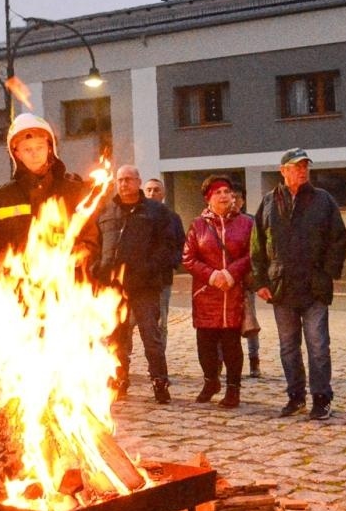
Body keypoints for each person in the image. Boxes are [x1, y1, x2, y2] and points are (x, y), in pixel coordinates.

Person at [252, 147, 346, 419]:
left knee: (318, 345)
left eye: (305, 166)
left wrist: (327, 273)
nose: (302, 170)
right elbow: (257, 243)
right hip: (281, 287)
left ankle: (321, 398)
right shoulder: (269, 201)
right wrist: (259, 280)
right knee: (288, 346)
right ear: (283, 171)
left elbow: (338, 239)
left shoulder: (323, 200)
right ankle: (295, 396)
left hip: (314, 286)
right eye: (296, 166)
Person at [0, 113, 99, 275]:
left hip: (65, 292)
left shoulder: (73, 192)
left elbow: (91, 242)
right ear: (17, 154)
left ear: (49, 149)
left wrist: (74, 256)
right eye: (27, 149)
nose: (34, 154)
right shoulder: (2, 197)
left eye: (39, 147)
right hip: (17, 292)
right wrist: (13, 260)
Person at [97, 164, 180, 403]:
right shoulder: (106, 210)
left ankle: (159, 382)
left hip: (145, 285)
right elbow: (93, 243)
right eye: (120, 180)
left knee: (150, 337)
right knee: (116, 337)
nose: (124, 184)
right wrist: (97, 269)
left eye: (128, 180)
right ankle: (119, 378)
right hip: (112, 288)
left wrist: (149, 269)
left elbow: (167, 246)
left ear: (138, 181)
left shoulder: (155, 211)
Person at [183, 175, 253, 407]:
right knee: (206, 344)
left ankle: (233, 389)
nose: (224, 196)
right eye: (218, 192)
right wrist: (212, 275)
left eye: (227, 191)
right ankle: (210, 380)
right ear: (208, 199)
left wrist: (231, 273)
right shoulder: (198, 225)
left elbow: (252, 254)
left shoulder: (246, 223)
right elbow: (188, 258)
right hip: (206, 293)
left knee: (232, 344)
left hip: (232, 293)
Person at [142, 176, 184, 346]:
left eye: (156, 190)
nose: (152, 193)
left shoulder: (172, 218)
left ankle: (160, 360)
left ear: (163, 194)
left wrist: (172, 262)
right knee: (129, 321)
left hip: (162, 279)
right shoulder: (135, 215)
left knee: (161, 321)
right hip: (137, 278)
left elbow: (182, 245)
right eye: (149, 190)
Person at [234, 189, 264, 378]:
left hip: (245, 280)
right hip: (225, 281)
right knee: (224, 326)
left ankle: (254, 361)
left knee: (249, 322)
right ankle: (223, 362)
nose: (233, 201)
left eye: (237, 197)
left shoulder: (250, 222)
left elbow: (256, 251)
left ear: (243, 201)